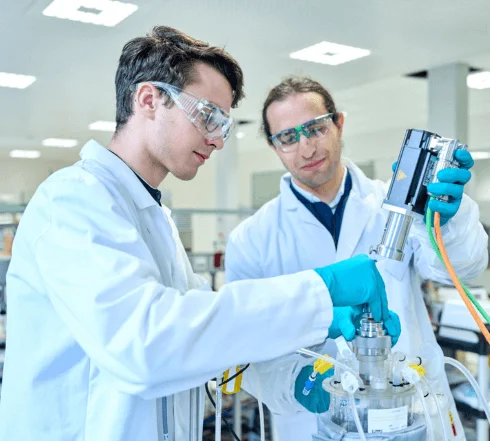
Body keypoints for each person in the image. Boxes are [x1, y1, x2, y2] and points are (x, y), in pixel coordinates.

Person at [0, 28, 400, 441]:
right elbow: (146, 345)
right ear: (149, 99)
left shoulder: (154, 217)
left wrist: (295, 373)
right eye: (208, 115)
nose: (217, 139)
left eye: (224, 124)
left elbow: (203, 338)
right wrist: (320, 291)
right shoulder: (72, 200)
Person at [225, 76, 489, 441]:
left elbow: (464, 269)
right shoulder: (252, 239)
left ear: (338, 124)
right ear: (274, 147)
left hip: (411, 410)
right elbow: (244, 346)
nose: (305, 148)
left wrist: (450, 218)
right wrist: (294, 381)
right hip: (310, 424)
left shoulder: (396, 205)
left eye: (315, 128)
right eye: (287, 137)